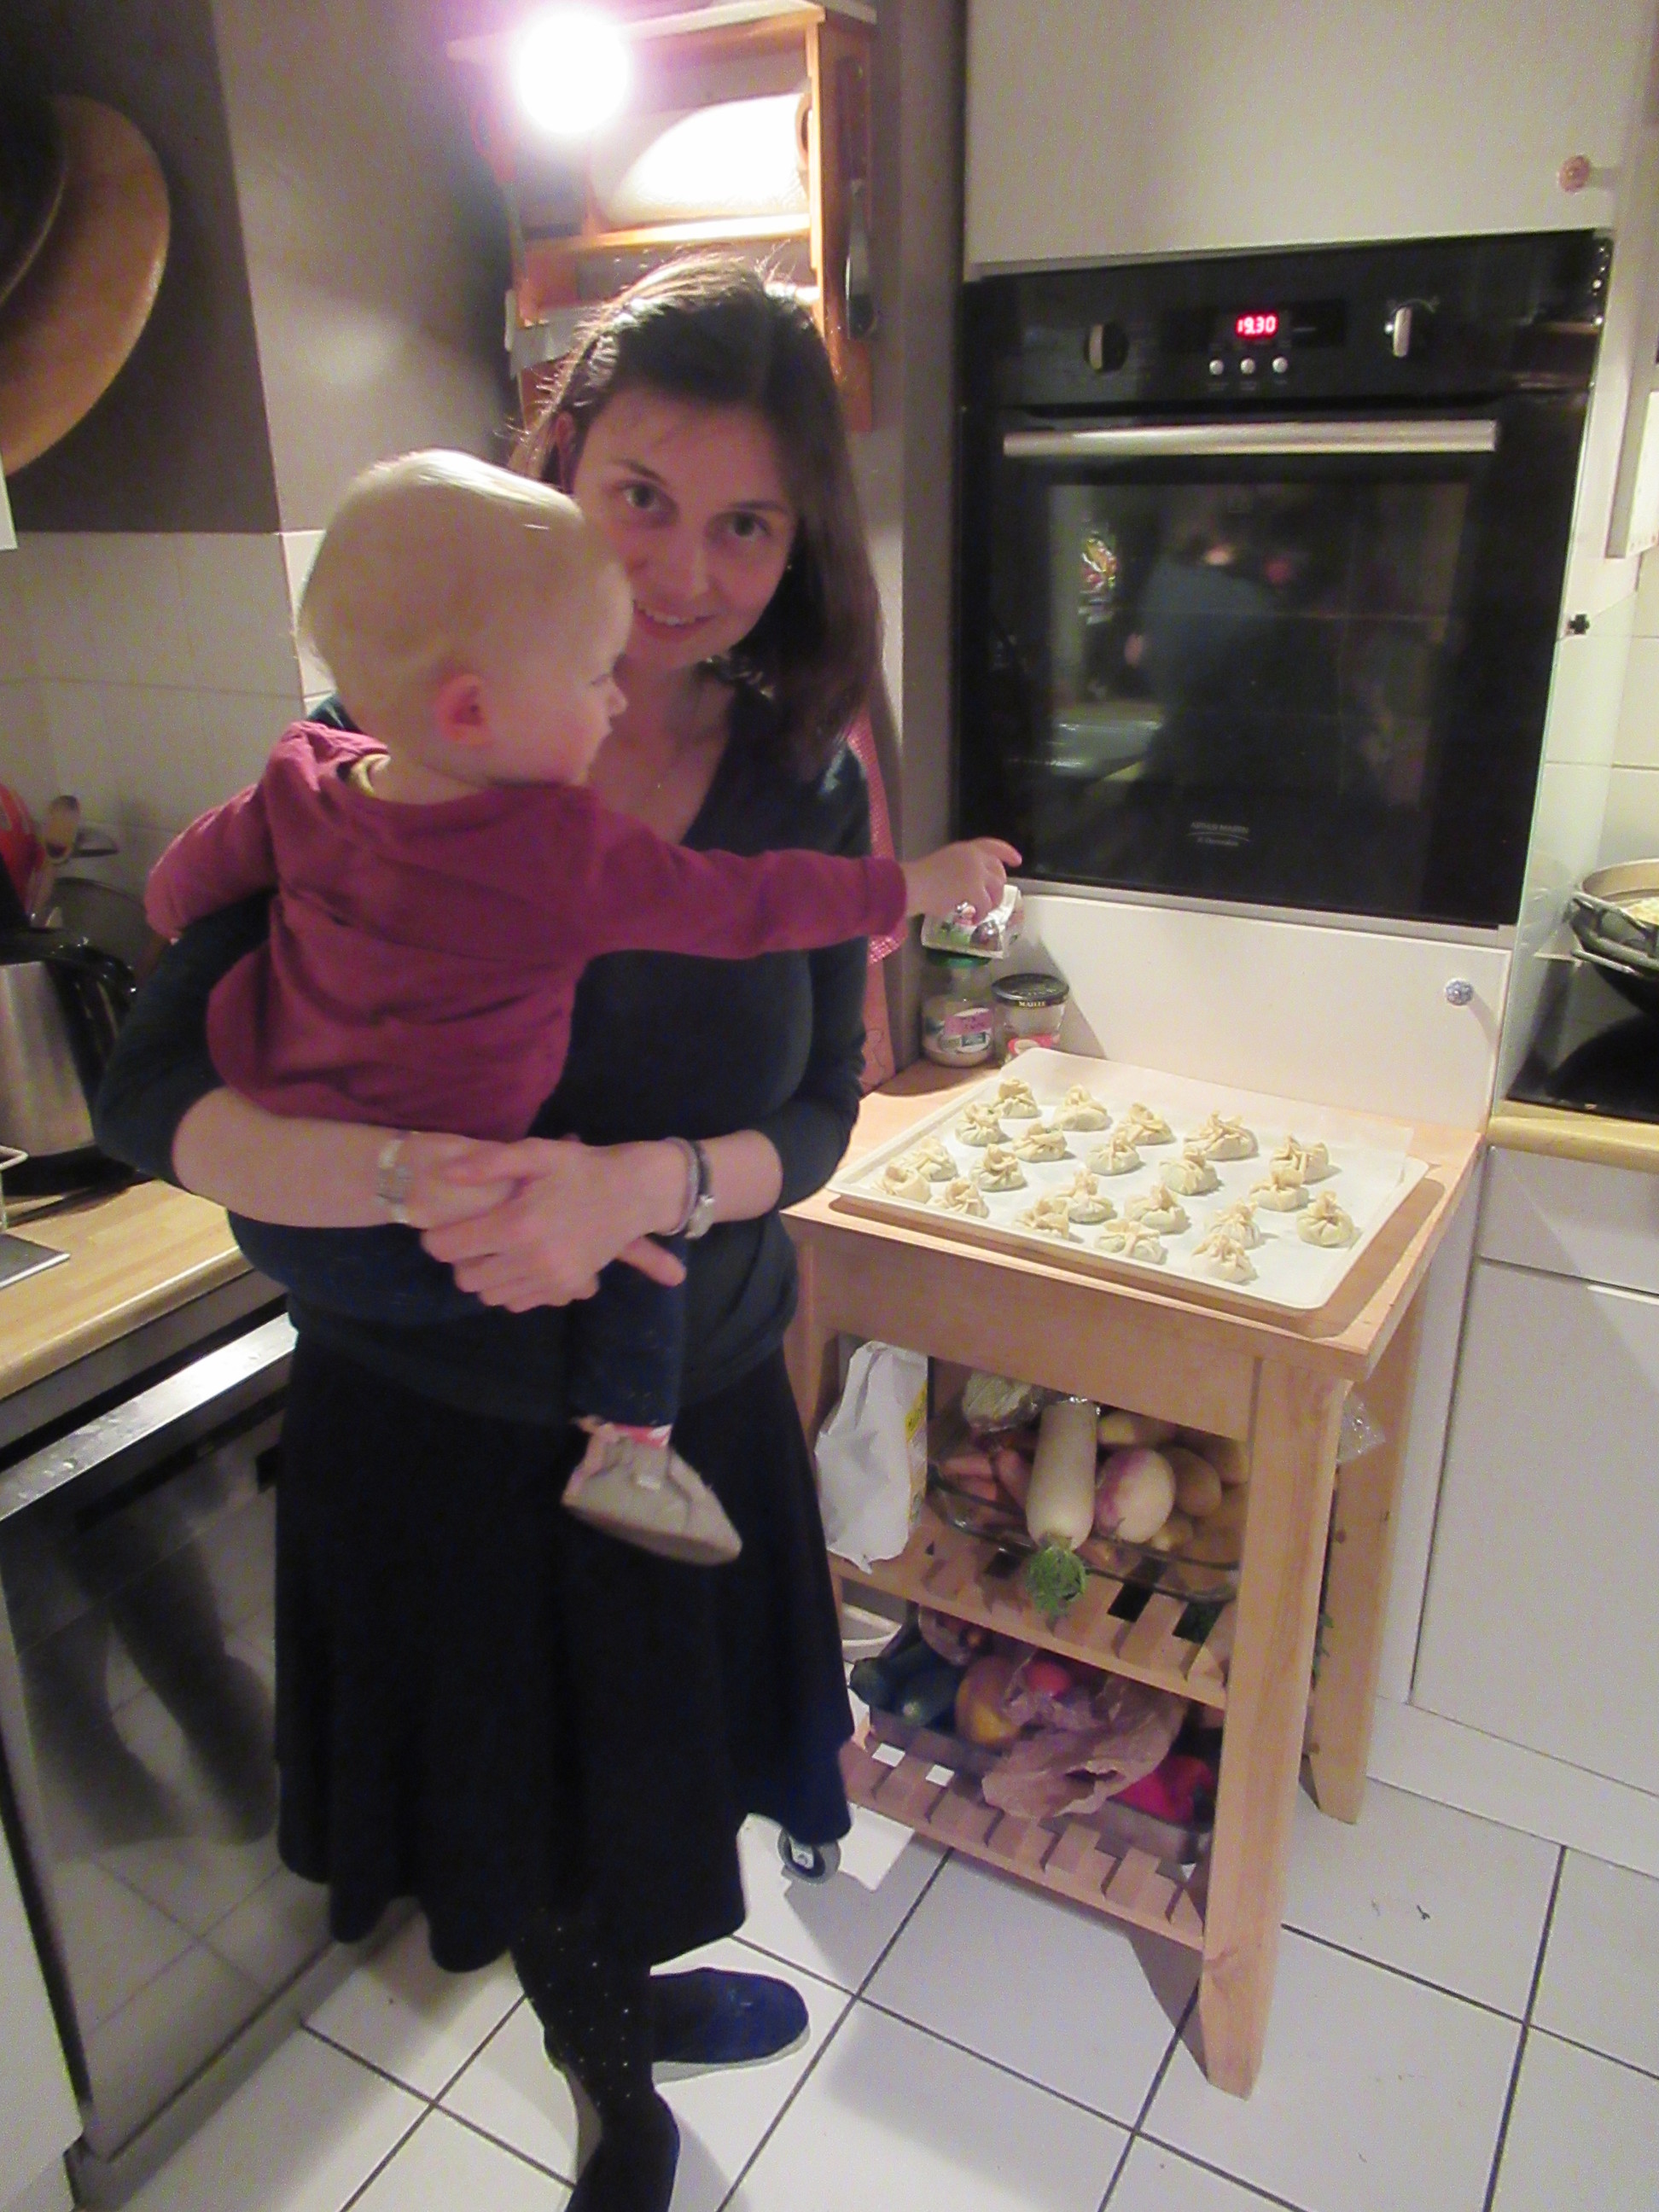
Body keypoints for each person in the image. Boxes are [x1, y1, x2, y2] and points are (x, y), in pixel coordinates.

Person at [96, 257, 936, 2212]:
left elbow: (819, 1117)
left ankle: (631, 1991)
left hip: (683, 1410)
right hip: (434, 1426)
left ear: (801, 541)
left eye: (747, 524)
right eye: (641, 495)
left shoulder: (804, 781)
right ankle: (606, 2078)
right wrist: (424, 1184)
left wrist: (633, 1190)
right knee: (522, 1794)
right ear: (559, 466)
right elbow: (149, 1092)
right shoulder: (385, 734)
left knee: (652, 1777)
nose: (685, 572)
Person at [143, 449, 1011, 1567]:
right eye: (595, 676)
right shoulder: (561, 851)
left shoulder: (306, 774)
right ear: (473, 708)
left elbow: (183, 886)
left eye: (746, 522)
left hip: (297, 1241)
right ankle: (630, 1454)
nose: (616, 695)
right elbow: (752, 905)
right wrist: (916, 884)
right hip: (424, 1331)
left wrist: (198, 927)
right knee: (635, 1263)